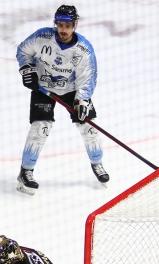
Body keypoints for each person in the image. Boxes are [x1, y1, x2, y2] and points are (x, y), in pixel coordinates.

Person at [15, 5, 109, 195]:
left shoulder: (84, 49)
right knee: (40, 128)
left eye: (67, 25)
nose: (63, 30)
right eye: (60, 25)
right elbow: (23, 51)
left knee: (88, 127)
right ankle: (26, 172)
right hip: (44, 87)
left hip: (71, 90)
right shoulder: (42, 37)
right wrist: (27, 68)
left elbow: (87, 78)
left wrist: (82, 101)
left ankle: (97, 164)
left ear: (75, 25)